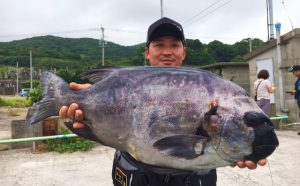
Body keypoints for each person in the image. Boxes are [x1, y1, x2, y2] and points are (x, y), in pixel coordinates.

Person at [59, 17, 267, 186]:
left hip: (195, 177)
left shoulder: (207, 87)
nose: (167, 51)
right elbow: (104, 99)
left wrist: (240, 146)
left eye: (175, 45)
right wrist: (84, 100)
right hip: (135, 173)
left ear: (183, 52)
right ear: (147, 52)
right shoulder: (126, 82)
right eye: (159, 45)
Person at [288, 65, 300, 135]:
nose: (293, 74)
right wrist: (295, 92)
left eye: (294, 72)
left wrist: (296, 92)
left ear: (298, 71)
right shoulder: (298, 80)